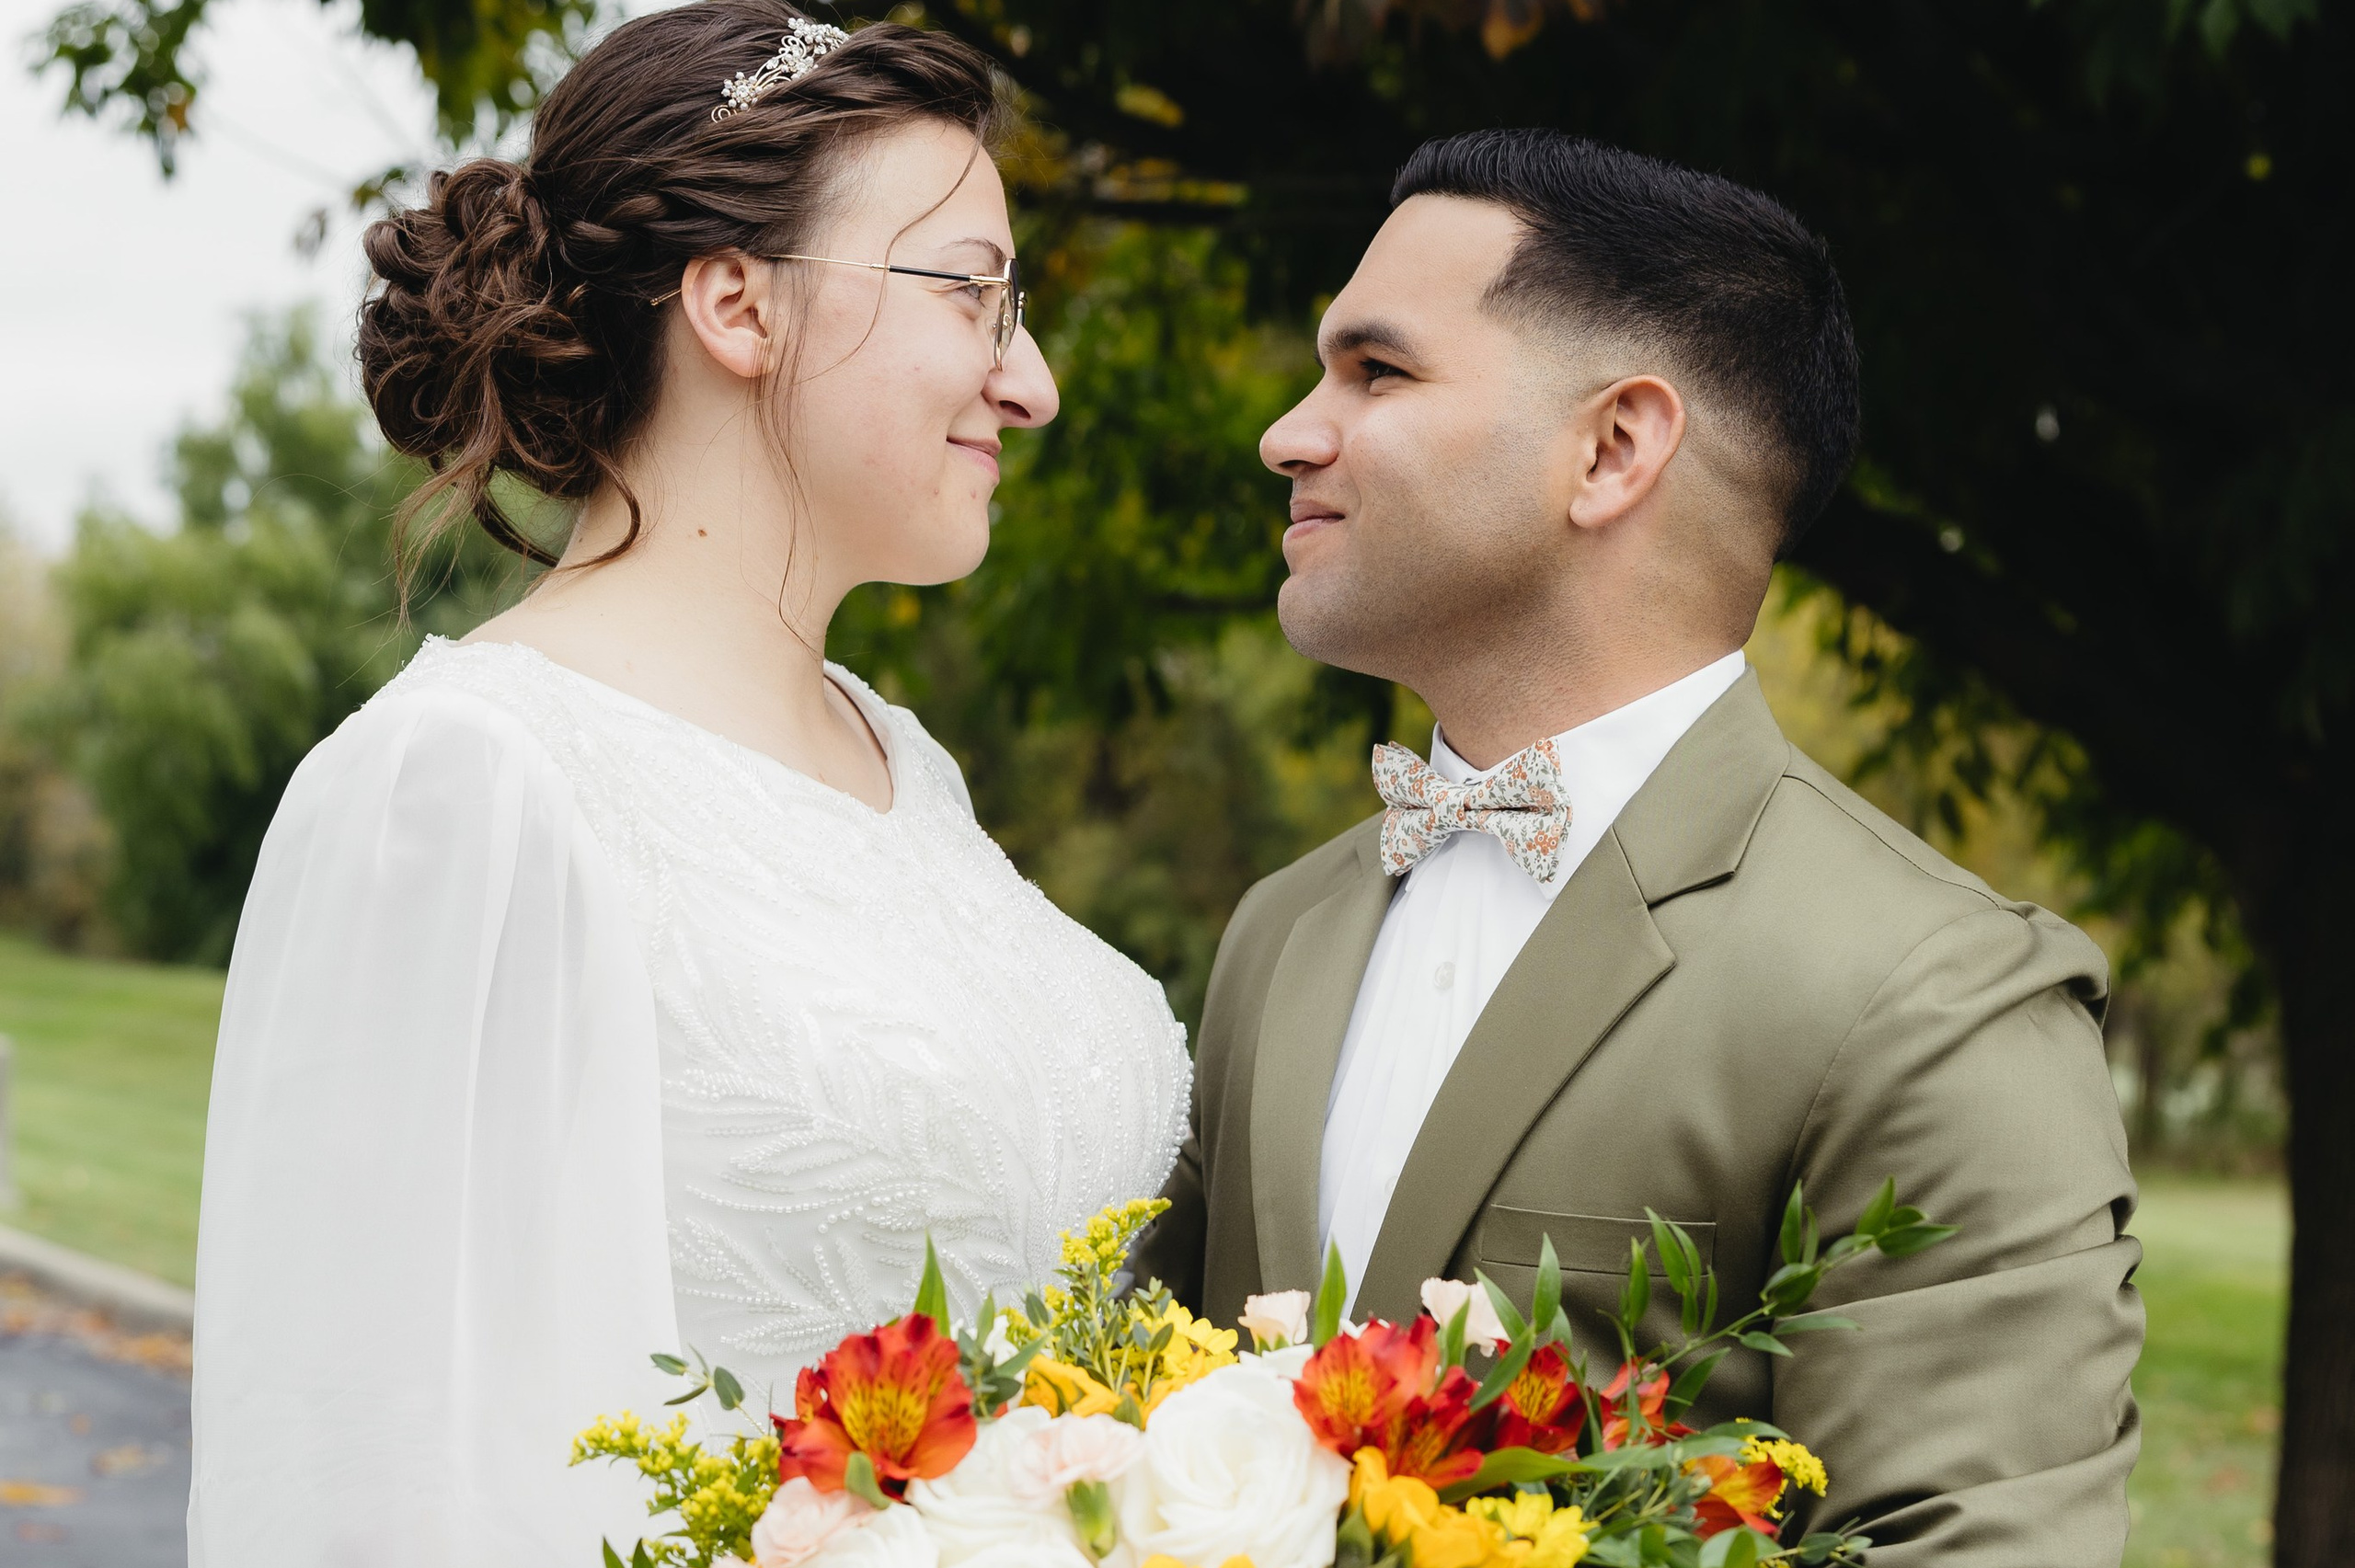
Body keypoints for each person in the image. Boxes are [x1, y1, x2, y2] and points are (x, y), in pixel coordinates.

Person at [187, 8, 1190, 1563]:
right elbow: (355, 1485)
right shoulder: (455, 789)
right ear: (738, 304)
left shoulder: (906, 767)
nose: (1033, 381)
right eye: (975, 295)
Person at [1132, 130, 2142, 1562]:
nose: (1288, 433)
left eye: (1377, 372)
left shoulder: (1933, 994)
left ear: (1612, 449)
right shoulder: (1279, 931)